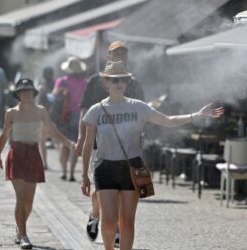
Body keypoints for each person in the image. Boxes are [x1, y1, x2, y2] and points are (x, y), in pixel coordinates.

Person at [81, 61, 224, 250]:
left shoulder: (139, 107)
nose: (119, 83)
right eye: (114, 79)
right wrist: (84, 175)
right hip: (104, 167)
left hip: (133, 166)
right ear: (105, 82)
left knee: (127, 223)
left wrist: (197, 115)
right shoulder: (96, 110)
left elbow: (168, 121)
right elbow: (88, 143)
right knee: (108, 222)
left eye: (123, 79)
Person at [76, 41, 145, 245]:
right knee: (98, 191)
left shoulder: (133, 82)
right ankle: (95, 214)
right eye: (116, 53)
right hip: (100, 141)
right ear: (108, 56)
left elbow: (142, 114)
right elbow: (84, 110)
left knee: (117, 195)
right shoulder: (96, 81)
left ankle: (115, 229)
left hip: (126, 147)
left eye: (124, 53)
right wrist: (81, 137)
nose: (120, 57)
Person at [0, 78, 75, 249]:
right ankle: (24, 236)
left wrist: (70, 144)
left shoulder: (41, 111)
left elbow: (53, 132)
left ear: (33, 93)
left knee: (29, 201)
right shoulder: (11, 113)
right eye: (23, 91)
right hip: (16, 154)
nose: (26, 93)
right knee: (20, 197)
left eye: (29, 90)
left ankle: (19, 227)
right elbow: (4, 135)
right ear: (17, 94)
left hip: (33, 154)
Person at [52, 57, 87, 181]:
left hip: (64, 116)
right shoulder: (84, 83)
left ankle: (64, 171)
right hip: (80, 116)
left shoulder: (61, 81)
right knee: (75, 145)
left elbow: (54, 96)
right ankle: (72, 173)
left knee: (64, 144)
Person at [37, 67, 55, 170]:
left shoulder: (41, 86)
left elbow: (39, 102)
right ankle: (65, 164)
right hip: (55, 115)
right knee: (57, 140)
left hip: (44, 115)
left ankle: (45, 163)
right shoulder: (57, 84)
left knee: (42, 140)